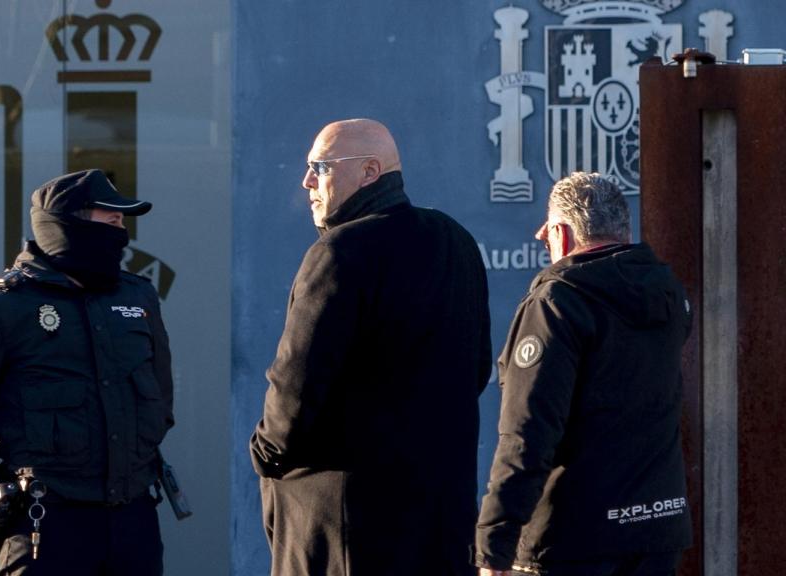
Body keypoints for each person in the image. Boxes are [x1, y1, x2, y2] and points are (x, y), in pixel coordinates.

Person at [250, 119, 492, 576]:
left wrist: (265, 453)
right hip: (440, 520)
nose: (307, 182)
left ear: (369, 171)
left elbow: (296, 386)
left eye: (320, 167)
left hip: (348, 527)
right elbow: (476, 368)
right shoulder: (454, 240)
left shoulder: (340, 252)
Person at [0, 169, 173, 575]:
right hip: (46, 525)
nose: (121, 233)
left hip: (133, 520)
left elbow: (160, 398)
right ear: (67, 226)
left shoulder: (136, 296)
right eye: (111, 221)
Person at [473, 172, 693, 576]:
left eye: (548, 232)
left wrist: (493, 545)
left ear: (561, 233)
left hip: (572, 540)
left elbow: (528, 432)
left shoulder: (558, 302)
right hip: (657, 530)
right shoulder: (668, 293)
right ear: (623, 230)